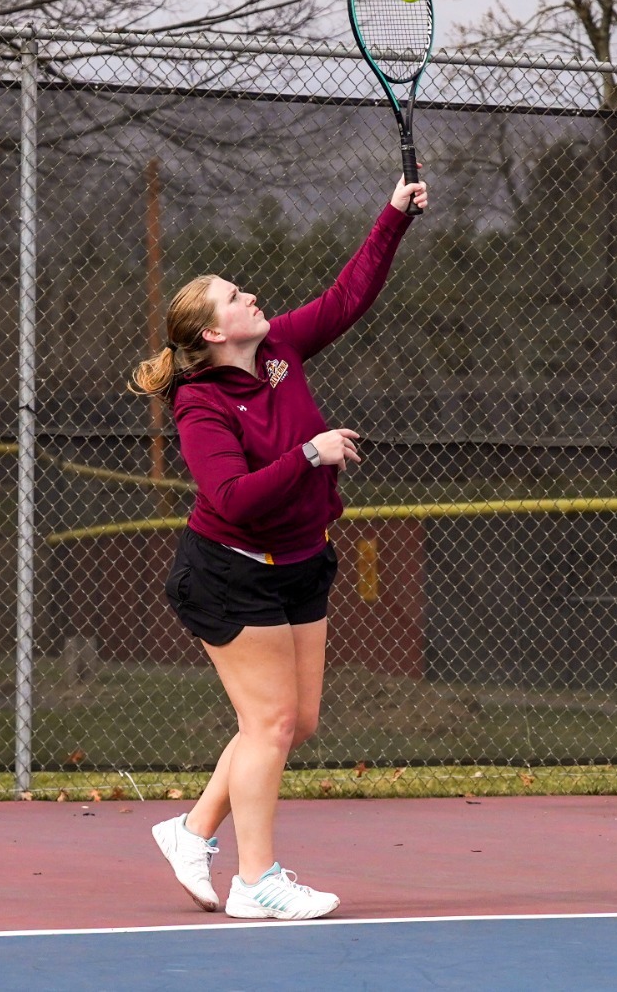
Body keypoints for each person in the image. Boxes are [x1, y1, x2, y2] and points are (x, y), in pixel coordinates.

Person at [130, 174, 428, 920]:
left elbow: (349, 296)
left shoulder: (282, 349)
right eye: (233, 298)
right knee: (268, 726)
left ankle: (192, 830)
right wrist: (310, 455)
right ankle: (255, 880)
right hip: (230, 574)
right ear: (210, 332)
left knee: (295, 724)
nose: (249, 298)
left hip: (302, 560)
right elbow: (229, 497)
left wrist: (392, 218)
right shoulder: (200, 404)